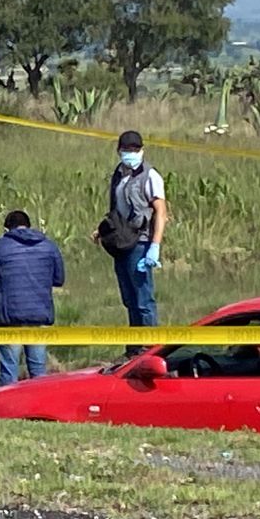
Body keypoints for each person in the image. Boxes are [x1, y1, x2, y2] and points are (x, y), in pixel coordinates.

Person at [91, 130, 166, 354]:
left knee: (144, 300)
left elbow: (161, 212)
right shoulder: (119, 174)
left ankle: (151, 349)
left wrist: (154, 246)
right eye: (127, 150)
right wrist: (102, 230)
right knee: (129, 299)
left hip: (140, 243)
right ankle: (134, 349)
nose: (131, 154)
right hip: (121, 242)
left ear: (142, 150)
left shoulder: (151, 176)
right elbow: (118, 209)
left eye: (135, 150)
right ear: (119, 151)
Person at [0, 210, 66, 386]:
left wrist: (2, 281)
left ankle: (7, 409)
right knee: (39, 371)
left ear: (7, 228)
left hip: (8, 316)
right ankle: (38, 407)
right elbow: (59, 279)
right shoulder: (49, 246)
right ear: (29, 225)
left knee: (9, 369)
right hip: (40, 314)